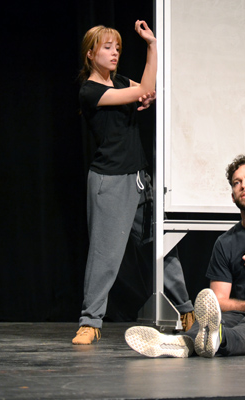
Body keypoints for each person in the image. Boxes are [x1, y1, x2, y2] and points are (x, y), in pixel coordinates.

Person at [125, 154, 245, 357]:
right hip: (242, 312)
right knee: (210, 325)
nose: (243, 186)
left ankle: (214, 340)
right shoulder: (226, 242)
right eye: (237, 183)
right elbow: (219, 300)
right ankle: (179, 344)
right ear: (232, 196)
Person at [72, 22, 194, 345]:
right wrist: (144, 88)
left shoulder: (120, 81)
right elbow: (142, 91)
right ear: (90, 53)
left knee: (161, 246)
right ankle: (90, 321)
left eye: (117, 48)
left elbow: (147, 87)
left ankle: (185, 309)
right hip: (109, 181)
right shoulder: (90, 90)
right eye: (107, 47)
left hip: (139, 178)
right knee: (105, 254)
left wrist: (152, 48)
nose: (114, 53)